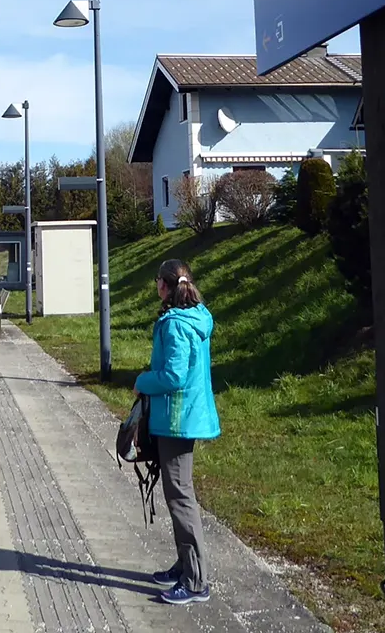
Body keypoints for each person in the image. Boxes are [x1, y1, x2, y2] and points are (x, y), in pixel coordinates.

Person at [133, 258, 220, 605]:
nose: (156, 287)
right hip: (185, 417)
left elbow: (173, 377)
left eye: (157, 282)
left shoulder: (174, 325)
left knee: (181, 497)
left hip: (176, 420)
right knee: (176, 494)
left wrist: (141, 381)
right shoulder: (197, 317)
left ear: (165, 287)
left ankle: (195, 580)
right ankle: (185, 565)